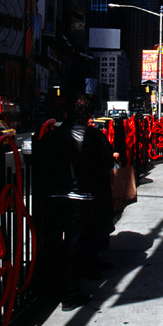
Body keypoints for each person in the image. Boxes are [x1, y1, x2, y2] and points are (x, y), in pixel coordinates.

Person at [34, 95, 115, 311]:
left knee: (52, 243)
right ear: (89, 115)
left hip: (52, 198)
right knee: (74, 245)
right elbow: (107, 164)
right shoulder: (95, 136)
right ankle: (70, 295)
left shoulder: (51, 137)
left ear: (65, 114)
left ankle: (51, 290)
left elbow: (38, 165)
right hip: (80, 199)